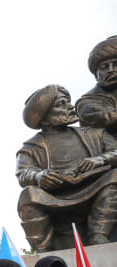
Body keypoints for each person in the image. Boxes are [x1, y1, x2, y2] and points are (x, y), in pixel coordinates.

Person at [17, 84, 117, 249]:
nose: (70, 107)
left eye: (68, 102)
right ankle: (45, 251)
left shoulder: (94, 133)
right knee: (28, 195)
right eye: (61, 105)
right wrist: (39, 176)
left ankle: (99, 236)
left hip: (93, 189)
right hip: (55, 197)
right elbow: (23, 173)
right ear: (45, 116)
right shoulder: (32, 146)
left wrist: (100, 159)